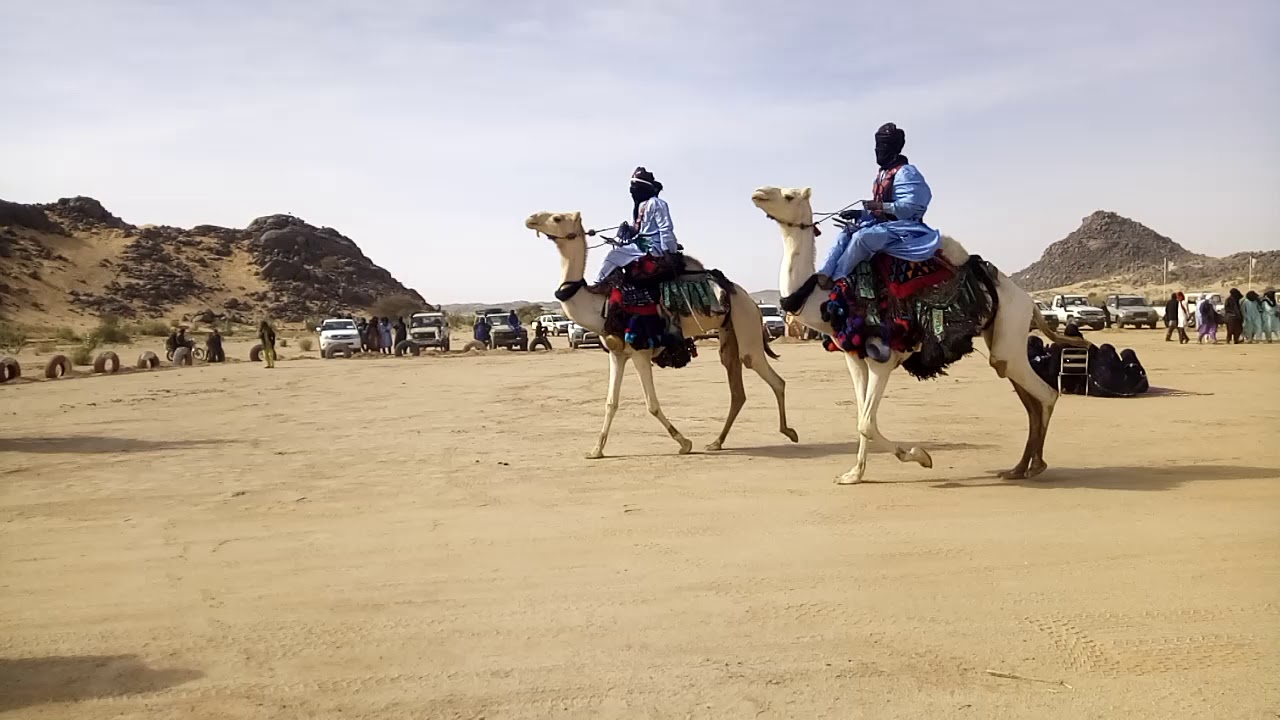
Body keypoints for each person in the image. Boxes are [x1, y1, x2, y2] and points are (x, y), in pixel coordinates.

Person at [817, 123, 942, 285]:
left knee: (861, 238)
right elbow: (880, 211)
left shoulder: (906, 173)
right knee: (845, 233)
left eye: (882, 145)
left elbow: (913, 207)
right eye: (877, 145)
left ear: (894, 147)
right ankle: (824, 273)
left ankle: (839, 280)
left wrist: (881, 206)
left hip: (904, 229)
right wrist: (860, 214)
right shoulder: (882, 174)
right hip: (882, 226)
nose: (877, 150)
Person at [596, 167, 681, 283]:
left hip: (653, 246)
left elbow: (665, 229)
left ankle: (599, 283)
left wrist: (669, 252)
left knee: (612, 256)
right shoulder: (641, 205)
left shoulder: (657, 203)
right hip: (641, 243)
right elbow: (639, 229)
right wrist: (627, 230)